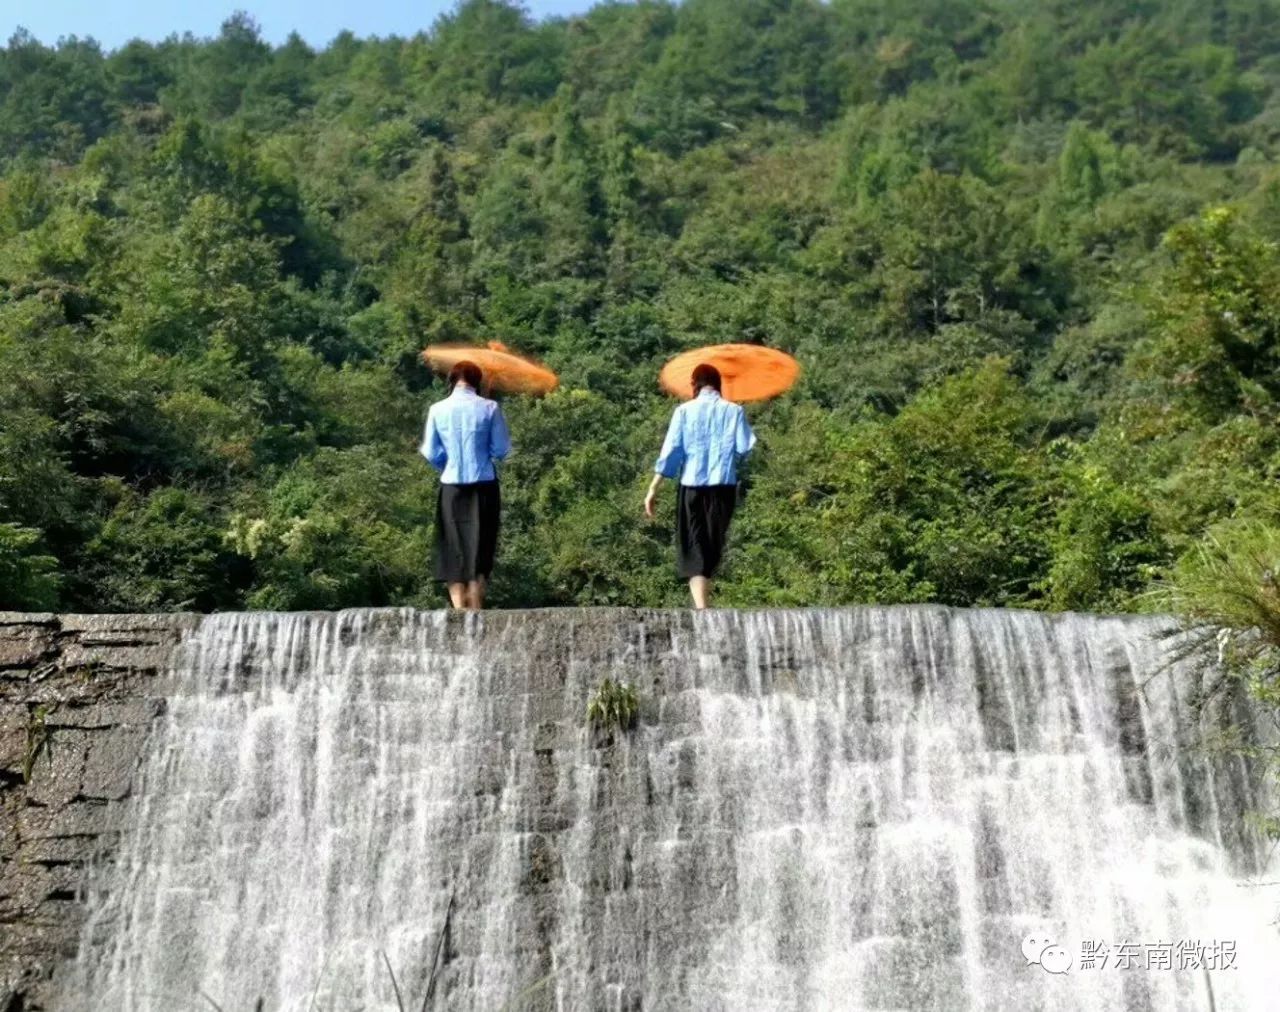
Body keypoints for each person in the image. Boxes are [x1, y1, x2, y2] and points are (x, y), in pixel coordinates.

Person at [644, 363, 756, 609]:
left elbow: (671, 452)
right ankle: (703, 606)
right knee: (713, 545)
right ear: (718, 384)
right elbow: (746, 448)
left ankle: (702, 607)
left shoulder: (684, 411)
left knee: (694, 544)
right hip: (723, 487)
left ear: (695, 384)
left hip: (692, 486)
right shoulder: (734, 411)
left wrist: (653, 488)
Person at [421, 361, 511, 610]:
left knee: (452, 547)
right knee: (481, 546)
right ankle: (477, 604)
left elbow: (430, 451)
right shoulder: (490, 407)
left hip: (451, 488)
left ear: (452, 380)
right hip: (484, 486)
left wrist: (448, 465)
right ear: (477, 381)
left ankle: (459, 609)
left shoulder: (437, 409)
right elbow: (501, 450)